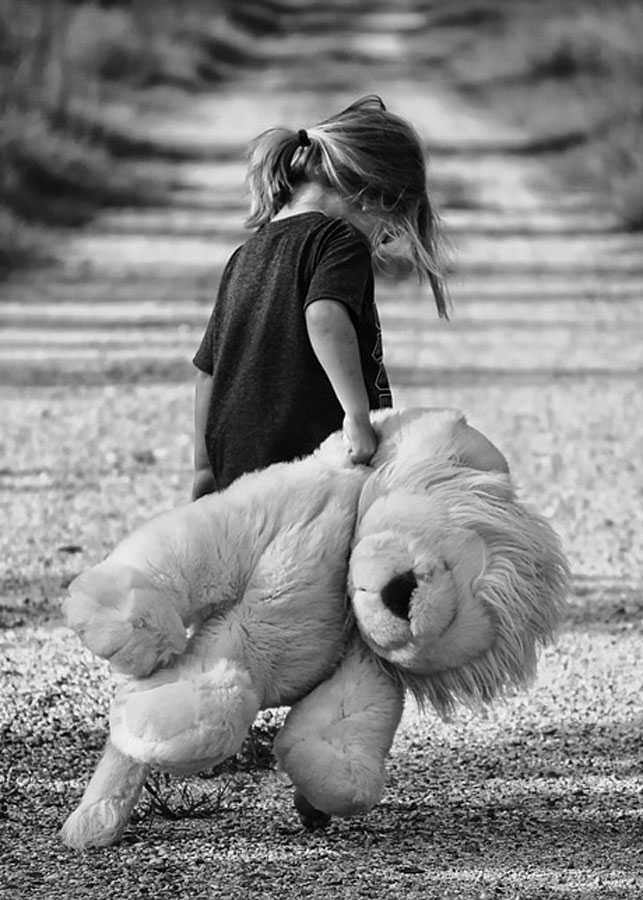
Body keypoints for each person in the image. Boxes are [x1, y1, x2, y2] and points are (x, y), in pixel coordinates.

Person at [191, 95, 448, 499]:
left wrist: (204, 467)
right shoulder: (339, 239)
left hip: (237, 464)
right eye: (389, 230)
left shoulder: (245, 253)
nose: (381, 242)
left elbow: (209, 371)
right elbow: (324, 316)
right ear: (372, 195)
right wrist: (357, 416)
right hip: (311, 458)